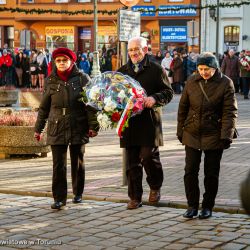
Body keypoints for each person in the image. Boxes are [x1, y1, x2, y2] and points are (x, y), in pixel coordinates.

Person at [34, 47, 99, 210]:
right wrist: (38, 128)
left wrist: (93, 126)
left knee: (77, 161)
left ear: (71, 61)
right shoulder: (50, 80)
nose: (61, 63)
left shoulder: (83, 78)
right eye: (58, 60)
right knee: (58, 164)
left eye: (65, 60)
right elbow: (43, 108)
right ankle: (59, 198)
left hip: (78, 123)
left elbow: (91, 105)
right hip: (57, 125)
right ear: (55, 62)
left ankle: (77, 193)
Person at [177, 52, 238, 219]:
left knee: (211, 174)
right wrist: (180, 130)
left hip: (214, 134)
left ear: (215, 68)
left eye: (207, 69)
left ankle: (207, 206)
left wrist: (227, 135)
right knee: (190, 171)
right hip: (192, 132)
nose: (203, 72)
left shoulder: (226, 83)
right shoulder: (191, 80)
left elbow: (230, 112)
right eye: (200, 68)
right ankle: (192, 206)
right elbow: (183, 107)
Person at [118, 37, 174, 209]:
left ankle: (155, 187)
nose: (134, 53)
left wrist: (154, 98)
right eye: (131, 50)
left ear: (146, 50)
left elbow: (168, 92)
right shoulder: (122, 72)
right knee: (132, 162)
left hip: (149, 122)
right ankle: (135, 197)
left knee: (149, 157)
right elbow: (114, 95)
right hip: (130, 123)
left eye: (137, 49)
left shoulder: (156, 69)